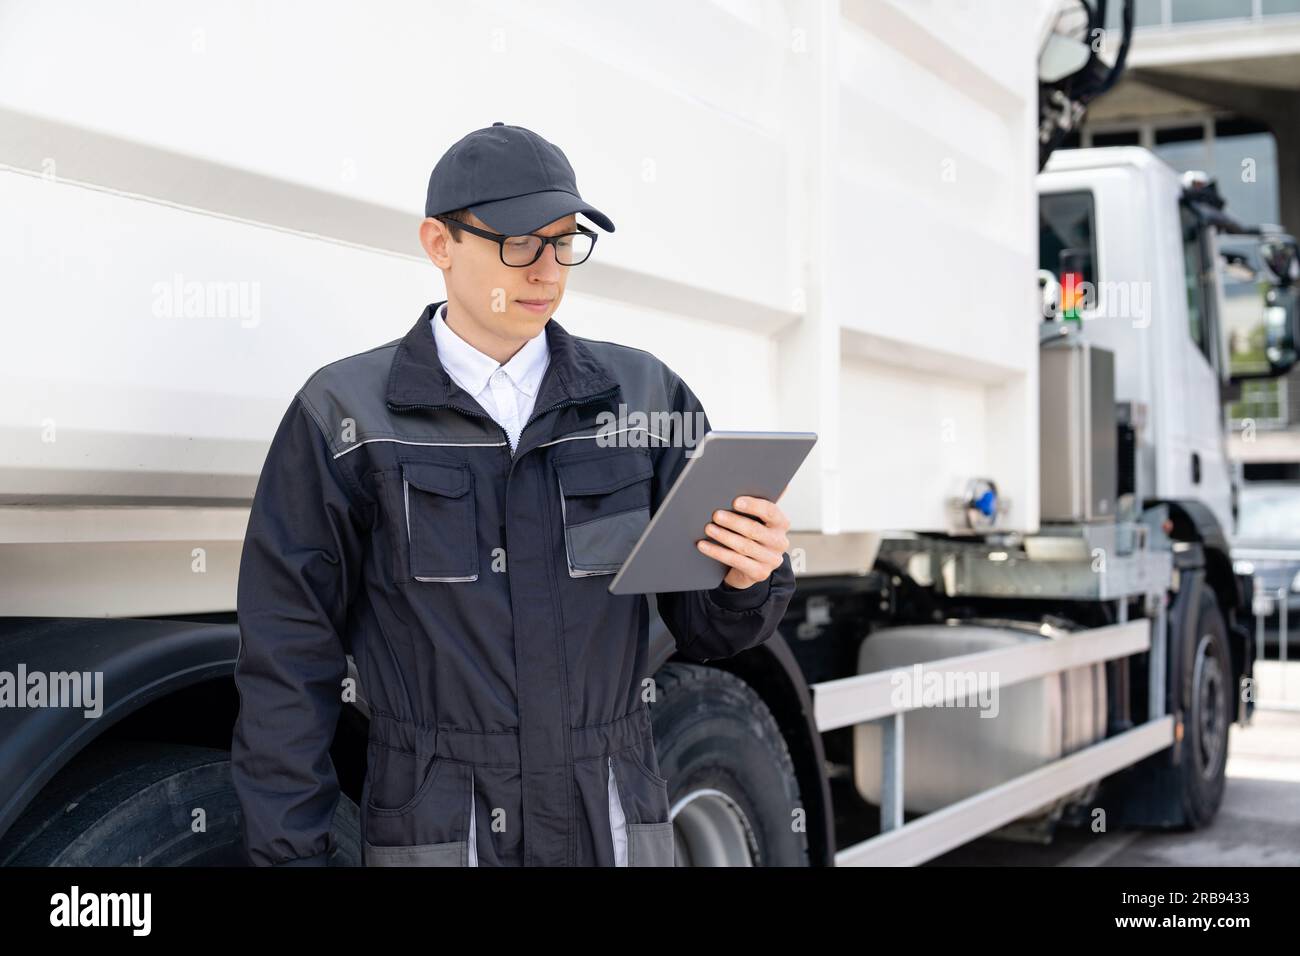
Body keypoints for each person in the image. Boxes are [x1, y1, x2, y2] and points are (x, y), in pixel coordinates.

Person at [230, 122, 796, 867]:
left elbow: (705, 631)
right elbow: (286, 659)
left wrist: (748, 578)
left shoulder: (645, 398)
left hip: (613, 817)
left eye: (565, 242)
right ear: (439, 243)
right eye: (521, 243)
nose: (548, 271)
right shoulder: (346, 416)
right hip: (440, 829)